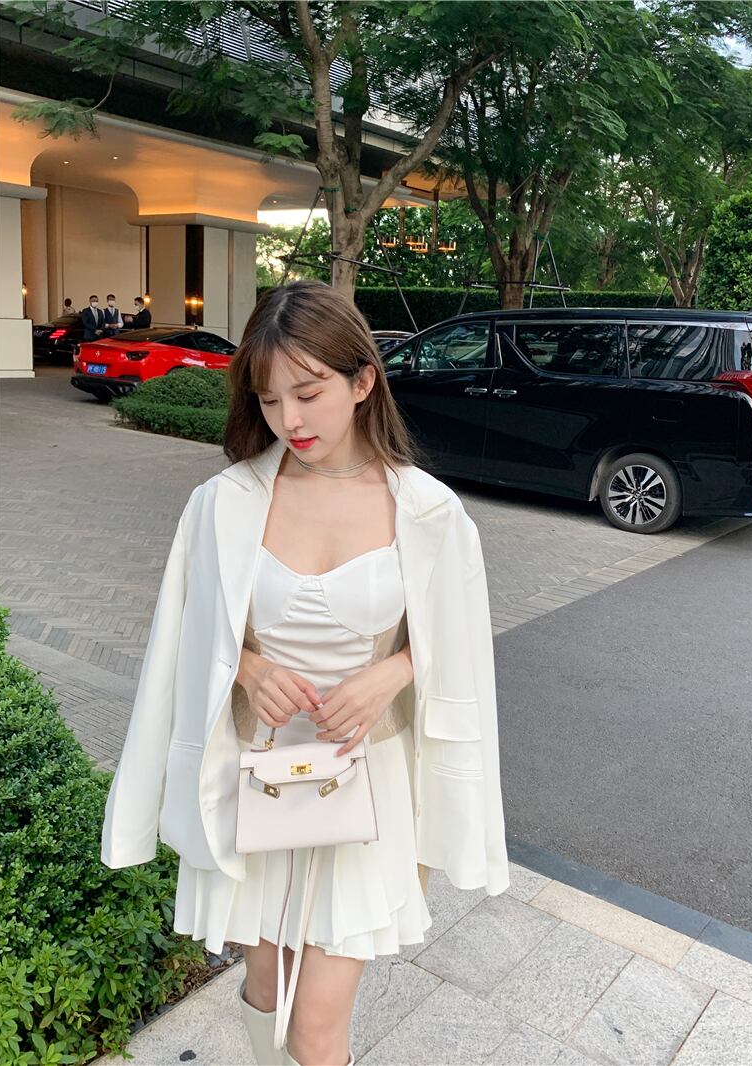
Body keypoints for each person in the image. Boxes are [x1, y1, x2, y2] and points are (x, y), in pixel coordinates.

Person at [100, 280, 509, 1066]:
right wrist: (248, 668)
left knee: (317, 1023)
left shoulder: (428, 511)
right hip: (260, 776)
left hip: (366, 783)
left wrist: (394, 671)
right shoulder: (223, 503)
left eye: (309, 392)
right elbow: (185, 633)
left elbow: (461, 638)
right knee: (265, 986)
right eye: (269, 398)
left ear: (363, 381)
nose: (290, 419)